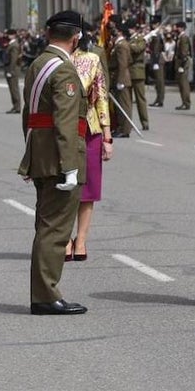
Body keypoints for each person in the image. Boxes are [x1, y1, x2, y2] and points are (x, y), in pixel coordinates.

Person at [18, 10, 88, 315]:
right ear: (76, 38)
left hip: (42, 154)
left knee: (45, 225)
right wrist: (70, 167)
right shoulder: (63, 70)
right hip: (61, 159)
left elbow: (29, 116)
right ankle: (46, 296)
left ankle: (43, 293)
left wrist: (33, 152)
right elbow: (65, 122)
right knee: (55, 229)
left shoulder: (38, 64)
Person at [67, 26, 114, 262]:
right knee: (64, 187)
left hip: (91, 129)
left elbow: (101, 96)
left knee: (88, 190)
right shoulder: (57, 59)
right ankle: (65, 239)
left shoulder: (92, 59)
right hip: (63, 130)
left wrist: (107, 136)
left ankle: (81, 240)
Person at [4, 30, 24, 113]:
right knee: (12, 88)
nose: (9, 36)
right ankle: (15, 106)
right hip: (12, 68)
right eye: (9, 34)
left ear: (14, 35)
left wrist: (10, 71)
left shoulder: (14, 45)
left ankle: (17, 106)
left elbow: (13, 59)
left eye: (11, 34)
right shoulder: (12, 44)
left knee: (14, 88)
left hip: (13, 69)